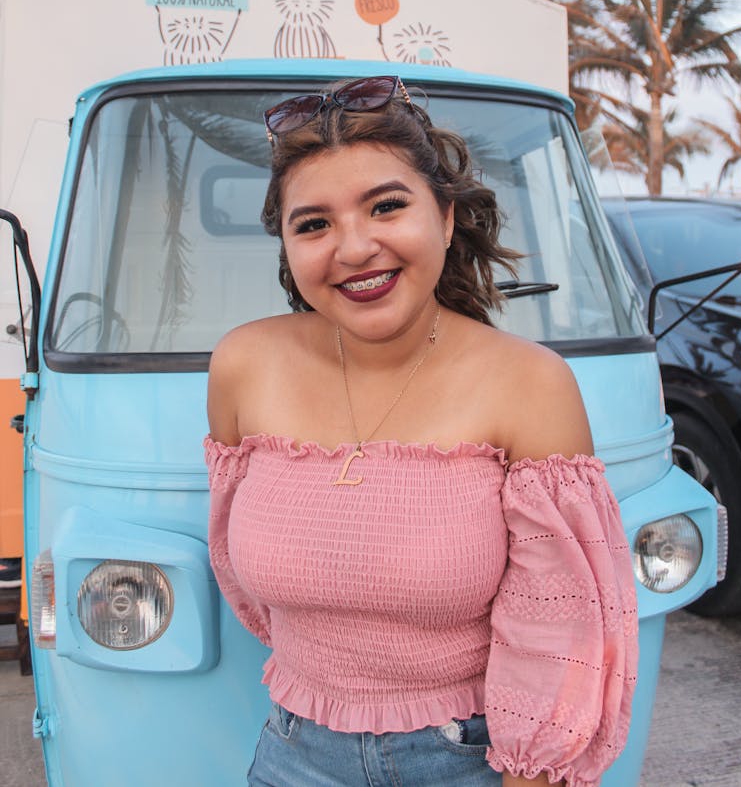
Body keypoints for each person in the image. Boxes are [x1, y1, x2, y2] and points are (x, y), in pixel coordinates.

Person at [205, 75, 638, 787]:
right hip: (293, 755)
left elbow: (560, 632)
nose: (352, 247)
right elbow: (237, 568)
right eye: (312, 223)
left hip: (470, 759)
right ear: (287, 246)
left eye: (386, 206)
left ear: (443, 217)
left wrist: (529, 769)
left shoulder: (530, 384)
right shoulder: (243, 365)